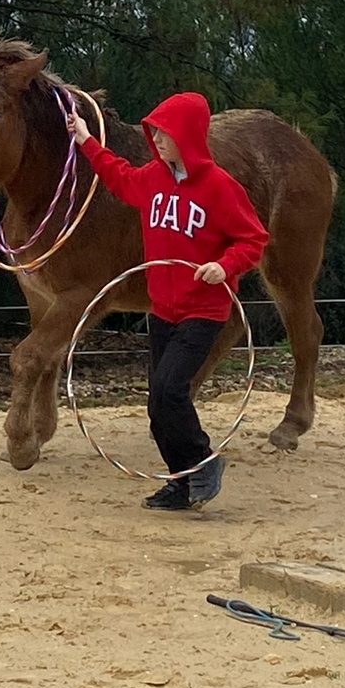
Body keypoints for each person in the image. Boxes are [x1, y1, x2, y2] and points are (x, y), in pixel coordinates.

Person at [67, 91, 268, 512]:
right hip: (162, 309)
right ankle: (181, 483)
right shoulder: (152, 180)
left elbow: (253, 239)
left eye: (165, 132)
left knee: (169, 389)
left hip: (203, 310)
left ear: (188, 136)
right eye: (154, 131)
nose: (156, 139)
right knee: (156, 407)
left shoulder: (219, 187)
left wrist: (224, 266)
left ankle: (203, 461)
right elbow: (116, 174)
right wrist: (86, 138)